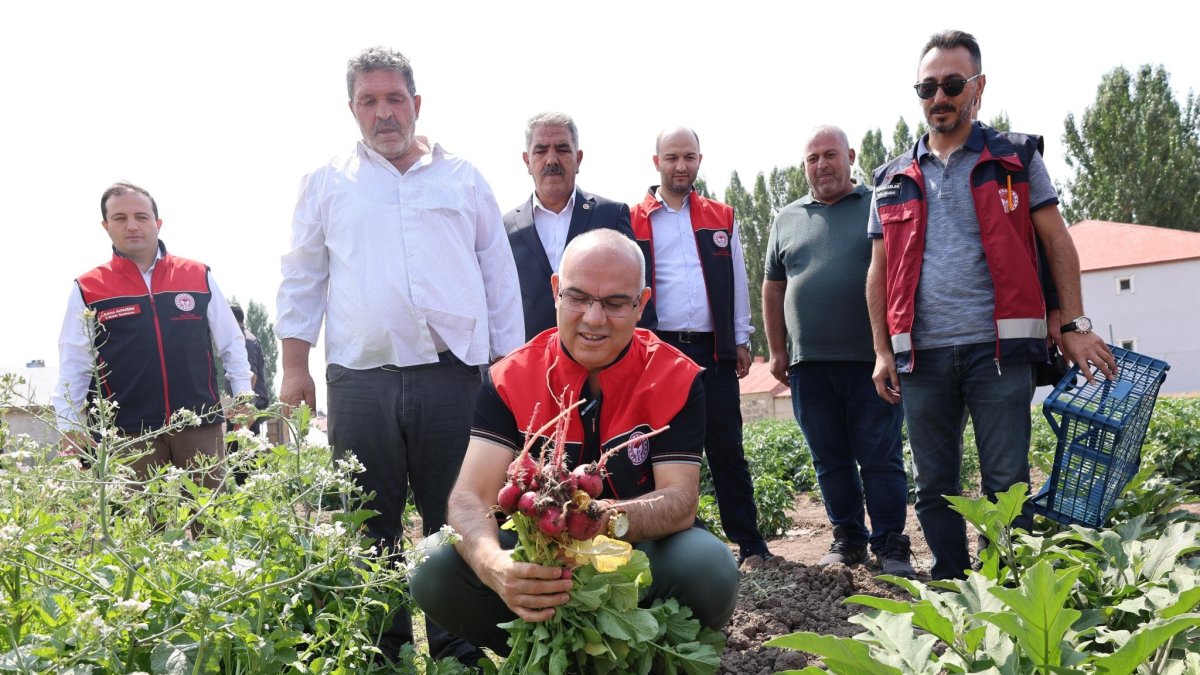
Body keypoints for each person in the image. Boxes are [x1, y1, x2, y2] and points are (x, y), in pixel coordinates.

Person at [275, 46, 523, 664]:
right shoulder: (326, 182)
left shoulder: (462, 178)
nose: (384, 113)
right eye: (369, 101)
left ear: (416, 103)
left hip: (455, 378)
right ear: (353, 109)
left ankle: (460, 649)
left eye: (394, 98)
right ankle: (381, 653)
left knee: (460, 516)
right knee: (366, 523)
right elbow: (302, 275)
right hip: (360, 381)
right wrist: (294, 365)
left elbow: (499, 279)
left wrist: (513, 372)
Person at [410, 229, 739, 654]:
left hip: (637, 558)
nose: (593, 318)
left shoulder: (675, 376)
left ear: (642, 302)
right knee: (431, 563)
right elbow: (469, 497)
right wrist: (495, 565)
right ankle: (545, 651)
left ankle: (641, 654)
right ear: (555, 292)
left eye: (616, 303)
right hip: (540, 562)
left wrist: (595, 518)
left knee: (707, 566)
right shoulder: (510, 378)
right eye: (578, 297)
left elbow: (679, 499)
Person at [866, 30, 1118, 580]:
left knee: (1006, 483)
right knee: (934, 484)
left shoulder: (1016, 158)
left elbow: (1057, 243)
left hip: (999, 351)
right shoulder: (889, 180)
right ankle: (953, 583)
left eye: (952, 84)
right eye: (927, 87)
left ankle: (1006, 586)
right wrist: (882, 351)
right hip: (923, 357)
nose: (940, 97)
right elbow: (878, 275)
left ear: (978, 88)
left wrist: (1072, 323)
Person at [762, 126, 914, 577]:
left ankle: (891, 543)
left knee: (880, 455)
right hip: (809, 365)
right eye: (812, 158)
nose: (822, 165)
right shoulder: (787, 218)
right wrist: (776, 350)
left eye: (830, 155)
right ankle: (848, 538)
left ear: (850, 157)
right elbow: (772, 287)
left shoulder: (878, 203)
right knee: (829, 458)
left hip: (872, 361)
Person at [630, 127, 772, 563]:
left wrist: (742, 337)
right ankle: (668, 540)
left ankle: (750, 543)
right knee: (659, 449)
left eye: (689, 157)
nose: (680, 166)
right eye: (671, 157)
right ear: (656, 162)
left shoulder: (721, 216)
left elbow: (737, 282)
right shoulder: (633, 217)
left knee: (727, 445)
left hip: (712, 350)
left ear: (699, 160)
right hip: (657, 351)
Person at [54, 182, 252, 487]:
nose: (132, 225)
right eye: (120, 218)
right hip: (128, 433)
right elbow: (74, 362)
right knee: (139, 529)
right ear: (105, 226)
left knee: (211, 524)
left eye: (141, 216)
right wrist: (69, 425)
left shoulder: (197, 275)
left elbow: (231, 341)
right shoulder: (88, 287)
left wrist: (242, 392)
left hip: (200, 425)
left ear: (157, 223)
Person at [504, 112, 635, 340]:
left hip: (599, 359)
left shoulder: (611, 216)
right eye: (541, 150)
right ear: (527, 161)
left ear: (579, 159)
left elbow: (636, 291)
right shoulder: (505, 229)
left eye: (562, 149)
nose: (551, 160)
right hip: (530, 364)